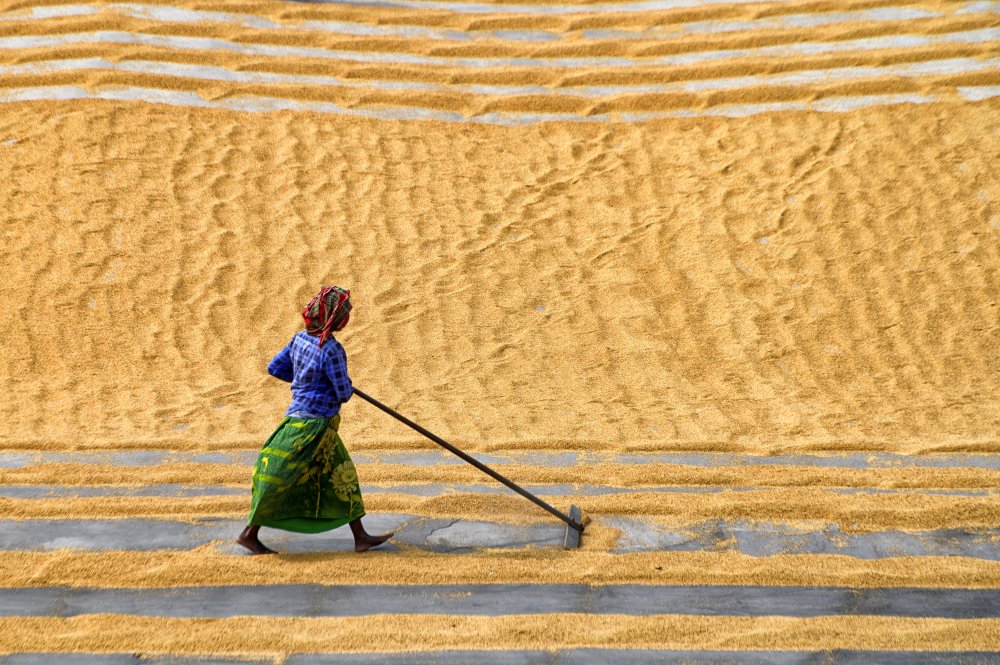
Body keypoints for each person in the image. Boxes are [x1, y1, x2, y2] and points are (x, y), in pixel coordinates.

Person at [237, 285, 394, 555]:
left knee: (342, 476)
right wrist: (323, 385)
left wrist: (302, 382)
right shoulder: (332, 350)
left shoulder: (298, 339)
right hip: (314, 425)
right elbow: (344, 393)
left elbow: (275, 368)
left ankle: (361, 537)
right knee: (279, 476)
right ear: (334, 319)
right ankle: (249, 533)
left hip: (310, 421)